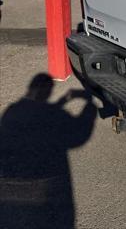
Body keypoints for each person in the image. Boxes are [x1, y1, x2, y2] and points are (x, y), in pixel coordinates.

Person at [0, 74, 97, 229]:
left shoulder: (11, 112)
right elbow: (79, 136)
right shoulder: (55, 116)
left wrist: (63, 100)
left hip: (10, 192)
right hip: (45, 191)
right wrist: (90, 107)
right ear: (47, 91)